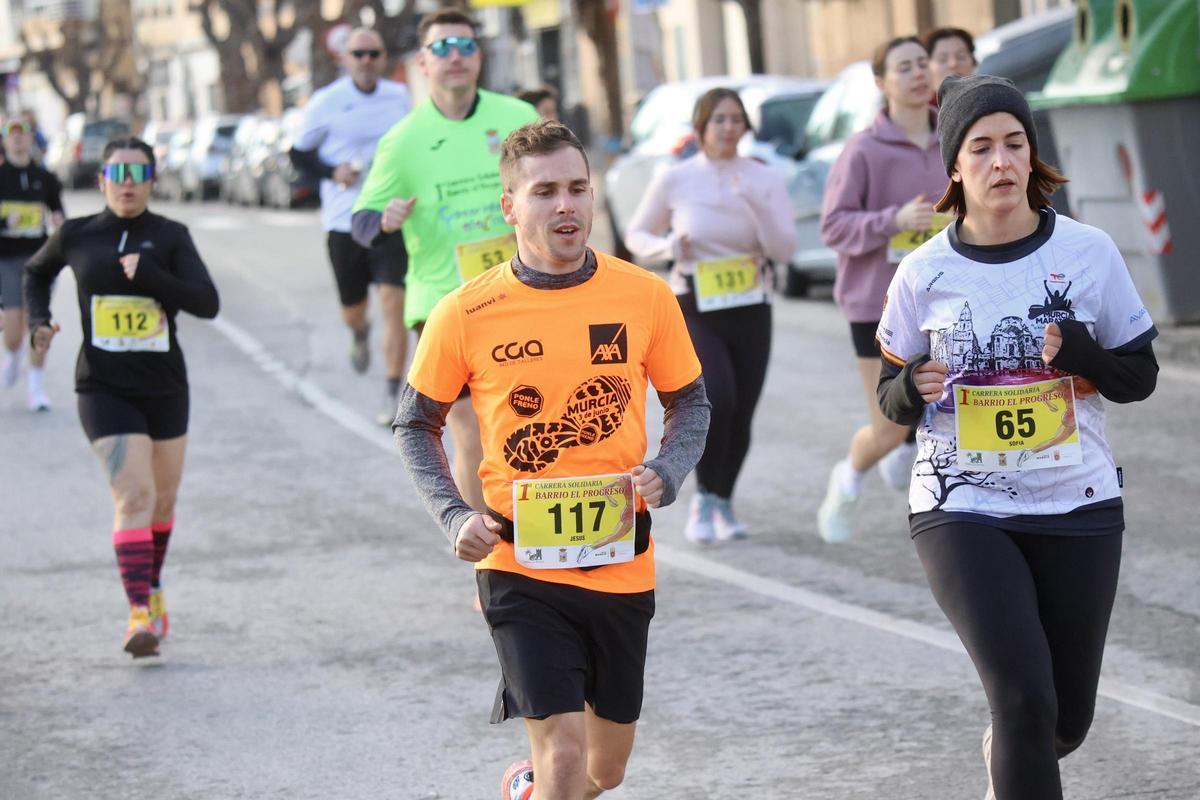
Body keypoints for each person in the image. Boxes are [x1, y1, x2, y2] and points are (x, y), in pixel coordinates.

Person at [393, 121, 709, 800]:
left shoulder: (643, 296)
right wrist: (452, 516)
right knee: (564, 757)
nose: (565, 206)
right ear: (509, 206)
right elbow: (415, 423)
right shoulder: (467, 311)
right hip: (517, 565)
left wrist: (670, 468)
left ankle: (527, 790)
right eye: (544, 192)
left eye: (576, 188)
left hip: (620, 562)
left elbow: (692, 404)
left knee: (604, 770)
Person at [876, 75, 1158, 800]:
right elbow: (890, 393)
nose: (1002, 162)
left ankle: (1012, 750)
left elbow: (1139, 375)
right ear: (955, 169)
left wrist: (1084, 356)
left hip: (1078, 500)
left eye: (1015, 143)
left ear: (1033, 156)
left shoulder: (1090, 252)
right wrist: (913, 387)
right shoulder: (922, 272)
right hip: (959, 504)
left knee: (1062, 721)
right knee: (1025, 701)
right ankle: (1016, 739)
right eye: (982, 148)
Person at [24, 138, 220, 658]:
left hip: (165, 387)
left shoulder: (170, 236)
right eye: (118, 170)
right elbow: (35, 272)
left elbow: (207, 303)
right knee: (133, 495)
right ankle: (138, 613)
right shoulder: (76, 234)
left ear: (153, 179)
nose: (128, 180)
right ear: (102, 179)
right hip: (102, 387)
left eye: (140, 171)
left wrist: (154, 277)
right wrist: (40, 321)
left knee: (162, 500)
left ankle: (151, 586)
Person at [352, 8, 538, 511]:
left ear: (479, 56)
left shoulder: (518, 120)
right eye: (441, 48)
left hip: (522, 294)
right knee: (471, 434)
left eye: (464, 46)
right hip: (444, 304)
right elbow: (361, 221)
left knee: (531, 429)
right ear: (422, 62)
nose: (454, 57)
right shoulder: (403, 140)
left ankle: (539, 548)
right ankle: (491, 562)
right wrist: (384, 218)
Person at [625, 87, 795, 543]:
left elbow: (785, 249)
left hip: (751, 302)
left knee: (743, 410)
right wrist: (667, 247)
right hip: (695, 304)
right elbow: (637, 233)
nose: (727, 127)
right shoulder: (675, 178)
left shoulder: (764, 176)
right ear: (700, 127)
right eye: (718, 119)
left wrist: (755, 203)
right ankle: (702, 497)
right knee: (716, 397)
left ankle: (723, 500)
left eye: (735, 118)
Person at [816, 36, 948, 543]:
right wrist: (893, 221)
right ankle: (849, 476)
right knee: (891, 425)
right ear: (880, 83)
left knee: (950, 407)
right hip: (876, 305)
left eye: (923, 64)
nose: (918, 74)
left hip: (942, 301)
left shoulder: (952, 139)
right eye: (904, 67)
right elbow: (833, 227)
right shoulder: (863, 150)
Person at [291, 27, 413, 425]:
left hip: (390, 219)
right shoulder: (326, 102)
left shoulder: (400, 97)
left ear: (382, 58)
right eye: (357, 53)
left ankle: (393, 392)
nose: (365, 60)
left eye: (373, 53)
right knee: (353, 309)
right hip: (345, 222)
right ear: (344, 58)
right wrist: (332, 171)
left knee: (394, 305)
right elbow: (298, 155)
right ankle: (359, 332)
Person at [1, 117, 65, 410]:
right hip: (8, 260)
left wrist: (58, 222)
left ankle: (36, 389)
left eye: (22, 133)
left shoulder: (46, 177)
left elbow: (58, 211)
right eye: (11, 134)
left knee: (38, 324)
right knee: (13, 333)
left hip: (39, 262)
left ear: (30, 139)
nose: (17, 139)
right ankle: (13, 358)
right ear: (4, 140)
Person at [924, 27, 977, 97]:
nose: (953, 64)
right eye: (942, 59)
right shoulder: (921, 106)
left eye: (960, 57)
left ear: (973, 62)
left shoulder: (991, 103)